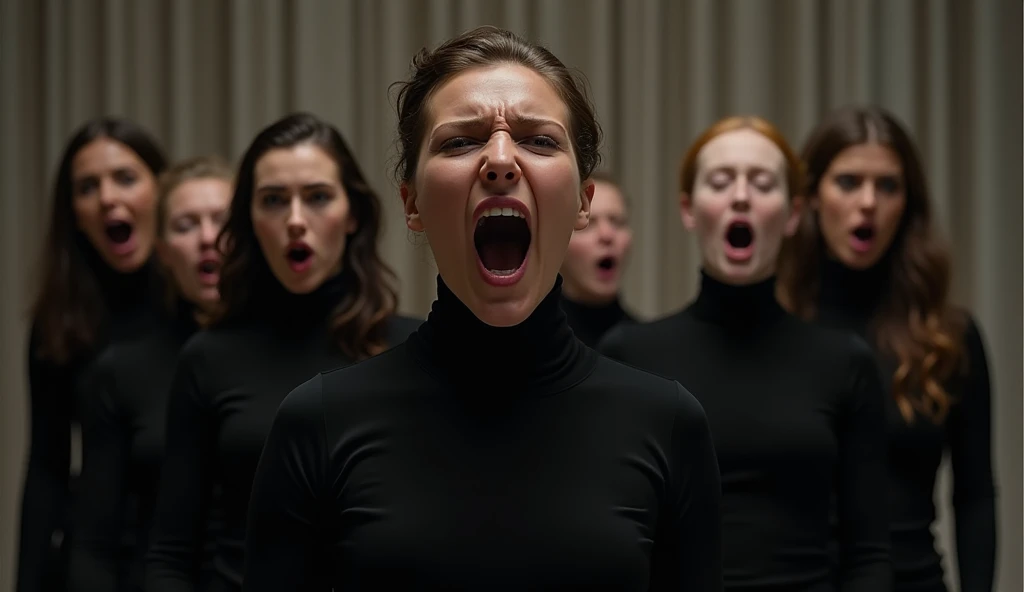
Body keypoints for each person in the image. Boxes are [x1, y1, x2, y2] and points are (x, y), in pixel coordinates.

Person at [241, 26, 722, 591]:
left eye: (539, 141)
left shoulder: (667, 425)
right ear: (412, 203)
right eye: (460, 142)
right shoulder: (316, 423)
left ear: (584, 203)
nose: (500, 160)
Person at [599, 115, 891, 591]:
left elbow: (870, 554)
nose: (741, 196)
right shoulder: (629, 354)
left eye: (761, 182)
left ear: (794, 213)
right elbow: (613, 541)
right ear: (689, 209)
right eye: (720, 181)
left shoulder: (844, 363)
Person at [144, 113, 420, 591]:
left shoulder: (412, 348)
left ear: (352, 214)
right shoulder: (209, 357)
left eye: (316, 197)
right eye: (273, 200)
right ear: (250, 219)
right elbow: (171, 553)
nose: (295, 220)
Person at [777, 105, 997, 592]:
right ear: (811, 196)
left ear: (908, 204)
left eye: (888, 186)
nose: (869, 202)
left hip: (913, 579)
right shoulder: (774, 324)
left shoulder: (947, 338)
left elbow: (975, 494)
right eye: (849, 182)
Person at [68, 156, 235, 592]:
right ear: (162, 252)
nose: (207, 238)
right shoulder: (121, 372)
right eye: (185, 225)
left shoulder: (291, 355)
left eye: (222, 220)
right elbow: (93, 545)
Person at [18, 117, 167, 592]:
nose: (107, 198)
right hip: (91, 560)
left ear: (162, 191)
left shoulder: (201, 306)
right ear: (74, 214)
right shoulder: (61, 320)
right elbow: (46, 466)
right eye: (87, 187)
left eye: (125, 178)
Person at [559, 170, 636, 346]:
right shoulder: (530, 341)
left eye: (617, 221)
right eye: (589, 223)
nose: (607, 235)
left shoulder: (646, 345)